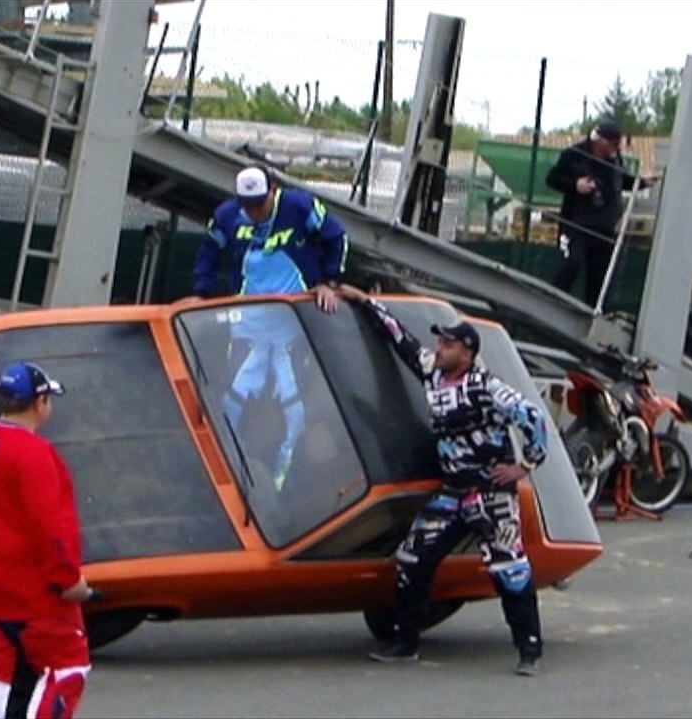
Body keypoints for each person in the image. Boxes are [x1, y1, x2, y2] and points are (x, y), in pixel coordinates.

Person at [336, 283, 551, 677]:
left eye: (449, 345)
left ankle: (529, 649)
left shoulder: (487, 387)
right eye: (441, 343)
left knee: (509, 568)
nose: (440, 349)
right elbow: (400, 339)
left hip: (490, 494)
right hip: (452, 493)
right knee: (411, 559)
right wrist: (365, 301)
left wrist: (526, 466)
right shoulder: (433, 373)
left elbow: (532, 418)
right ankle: (405, 642)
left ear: (467, 353)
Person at [190, 165, 349, 490]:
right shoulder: (227, 215)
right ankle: (228, 478)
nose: (252, 212)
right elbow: (209, 250)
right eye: (246, 205)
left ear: (273, 191)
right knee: (231, 403)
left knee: (294, 411)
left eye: (259, 204)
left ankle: (280, 486)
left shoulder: (299, 207)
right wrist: (202, 292)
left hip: (293, 326)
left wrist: (328, 282)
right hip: (248, 326)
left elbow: (336, 236)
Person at [0, 361, 92, 719]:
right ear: (39, 404)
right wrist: (68, 580)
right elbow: (51, 527)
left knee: (8, 672)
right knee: (67, 669)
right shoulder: (34, 454)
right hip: (36, 591)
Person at [545, 121, 655, 307]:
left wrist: (642, 182)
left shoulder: (615, 159)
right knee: (572, 263)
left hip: (604, 227)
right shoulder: (574, 154)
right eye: (612, 143)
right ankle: (552, 302)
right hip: (576, 224)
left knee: (599, 276)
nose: (616, 148)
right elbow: (552, 179)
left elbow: (622, 180)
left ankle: (592, 311)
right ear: (600, 141)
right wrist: (575, 185)